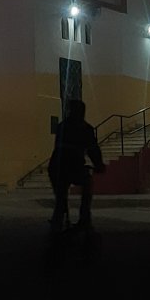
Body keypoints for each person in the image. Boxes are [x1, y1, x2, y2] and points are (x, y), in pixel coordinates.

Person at [47, 99, 104, 232]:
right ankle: (84, 217)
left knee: (60, 197)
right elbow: (93, 149)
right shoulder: (85, 129)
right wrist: (99, 165)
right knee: (87, 183)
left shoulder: (62, 126)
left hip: (57, 167)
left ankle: (58, 219)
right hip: (72, 167)